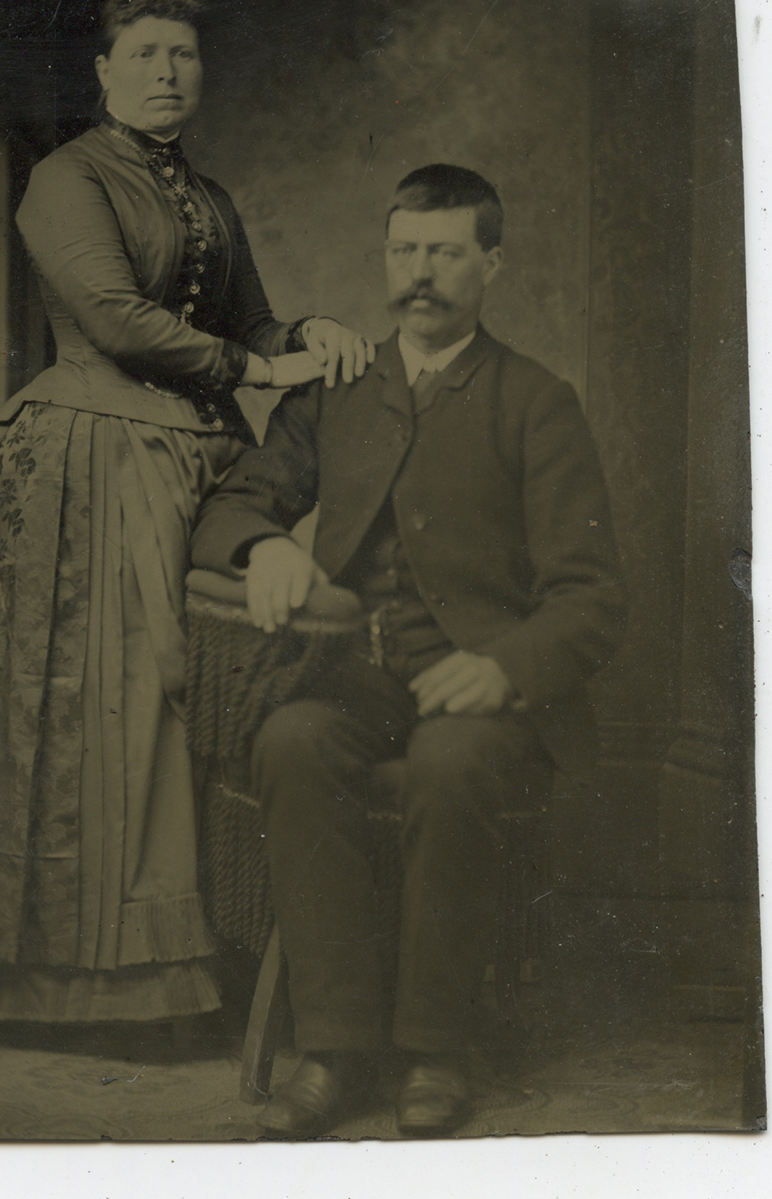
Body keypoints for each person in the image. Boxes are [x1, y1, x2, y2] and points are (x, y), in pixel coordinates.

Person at [0, 0, 374, 1028]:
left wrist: (308, 335)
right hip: (93, 459)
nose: (167, 73)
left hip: (199, 460)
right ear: (103, 71)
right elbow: (118, 320)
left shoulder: (207, 196)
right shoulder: (65, 178)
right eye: (144, 54)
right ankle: (78, 985)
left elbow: (253, 322)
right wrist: (259, 371)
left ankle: (186, 965)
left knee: (190, 705)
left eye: (183, 54)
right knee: (112, 705)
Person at [191, 163, 627, 1135]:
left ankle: (436, 1047)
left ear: (491, 265)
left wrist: (505, 666)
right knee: (293, 739)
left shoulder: (536, 401)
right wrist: (264, 546)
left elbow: (592, 596)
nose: (419, 273)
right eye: (403, 250)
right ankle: (335, 1047)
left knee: (451, 759)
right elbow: (236, 501)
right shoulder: (339, 391)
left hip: (483, 694)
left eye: (444, 253)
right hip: (357, 679)